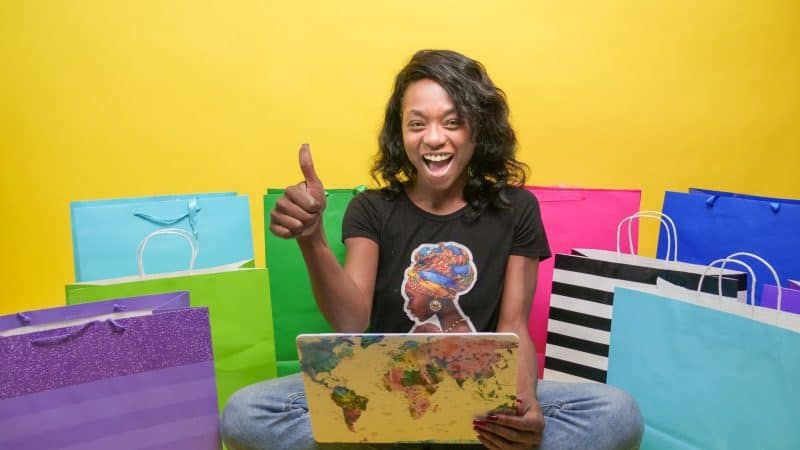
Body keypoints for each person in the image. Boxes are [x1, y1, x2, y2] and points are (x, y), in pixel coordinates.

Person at [221, 49, 643, 450]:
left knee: (617, 413)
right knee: (246, 413)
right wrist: (311, 238)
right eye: (417, 124)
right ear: (400, 134)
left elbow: (514, 323)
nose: (434, 138)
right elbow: (352, 321)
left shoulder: (516, 208)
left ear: (478, 130)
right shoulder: (371, 209)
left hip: (480, 401)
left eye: (453, 122)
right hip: (383, 396)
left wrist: (525, 407)